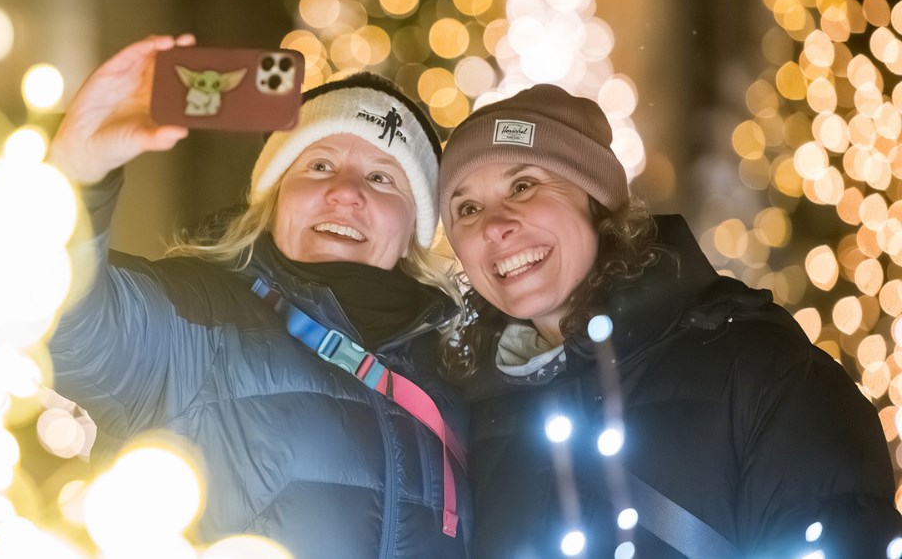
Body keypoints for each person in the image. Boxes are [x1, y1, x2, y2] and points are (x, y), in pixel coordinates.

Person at [47, 34, 470, 558]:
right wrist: (76, 174)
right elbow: (61, 322)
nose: (346, 191)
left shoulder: (455, 385)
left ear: (413, 230)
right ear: (272, 199)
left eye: (382, 178)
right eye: (318, 165)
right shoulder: (196, 324)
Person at [436, 84, 902, 558]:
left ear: (595, 200)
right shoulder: (471, 423)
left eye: (523, 185)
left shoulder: (754, 366)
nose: (495, 225)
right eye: (467, 208)